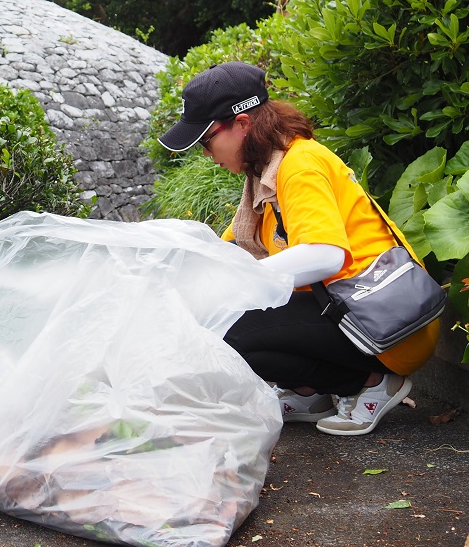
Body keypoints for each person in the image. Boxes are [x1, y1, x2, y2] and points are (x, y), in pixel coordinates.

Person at [158, 61, 440, 436]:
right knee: (218, 317)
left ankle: (370, 382)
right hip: (353, 311)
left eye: (206, 141)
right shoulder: (266, 176)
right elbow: (227, 252)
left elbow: (326, 253)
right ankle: (311, 392)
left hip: (388, 326)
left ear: (242, 124)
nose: (207, 155)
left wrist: (236, 282)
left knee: (230, 330)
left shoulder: (299, 164)